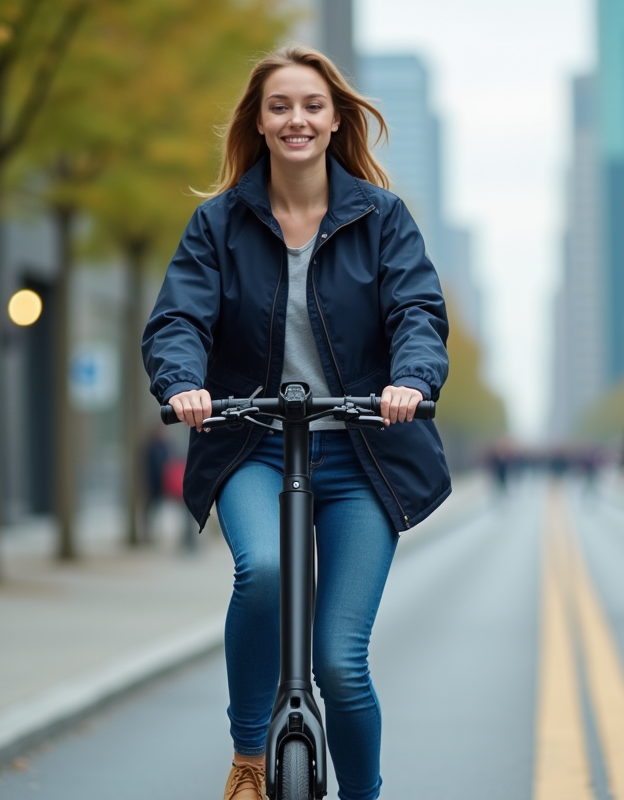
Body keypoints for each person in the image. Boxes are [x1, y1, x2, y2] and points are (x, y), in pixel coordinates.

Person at [141, 46, 450, 800]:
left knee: (341, 664)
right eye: (279, 106)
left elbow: (416, 312)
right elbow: (179, 316)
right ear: (259, 121)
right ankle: (250, 757)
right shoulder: (218, 224)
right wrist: (183, 383)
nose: (296, 119)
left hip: (361, 456)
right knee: (267, 571)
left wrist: (410, 379)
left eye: (311, 105)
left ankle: (362, 795)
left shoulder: (382, 220)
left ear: (336, 118)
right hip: (255, 443)